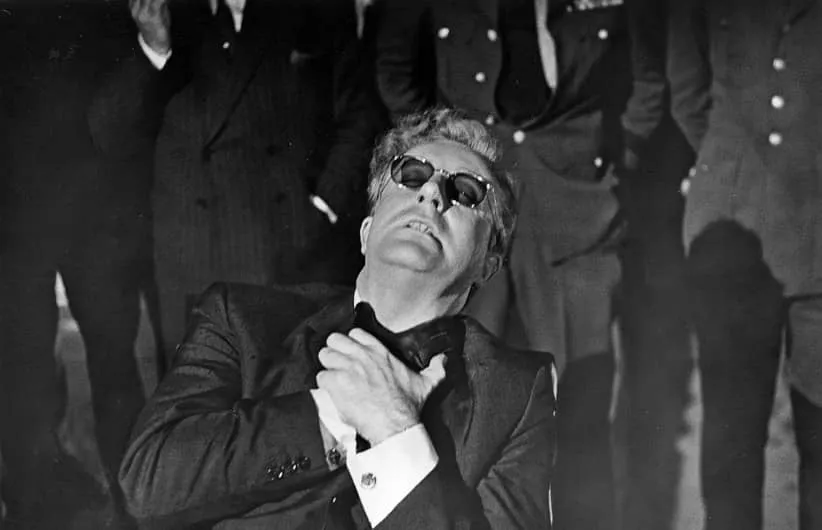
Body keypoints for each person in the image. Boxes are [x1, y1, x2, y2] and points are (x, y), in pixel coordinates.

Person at [117, 109, 556, 529]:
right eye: (411, 176)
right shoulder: (243, 318)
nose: (431, 194)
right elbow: (148, 480)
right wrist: (336, 414)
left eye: (465, 191)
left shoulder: (515, 390)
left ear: (488, 265)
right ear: (366, 231)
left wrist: (394, 429)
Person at [373, 0, 668, 527]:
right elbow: (397, 72)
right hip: (470, 210)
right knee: (459, 401)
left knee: (579, 403)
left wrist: (603, 168)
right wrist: (449, 158)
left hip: (576, 211)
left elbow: (647, 84)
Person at [89, 0, 384, 364]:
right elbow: (110, 134)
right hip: (191, 256)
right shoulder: (156, 14)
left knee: (287, 387)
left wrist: (324, 206)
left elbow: (360, 116)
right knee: (198, 388)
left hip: (293, 248)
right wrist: (154, 48)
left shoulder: (315, 10)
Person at [668, 1, 822, 529]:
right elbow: (687, 90)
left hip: (817, 234)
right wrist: (733, 165)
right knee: (732, 440)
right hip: (735, 231)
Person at [0, 1, 151, 528]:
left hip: (96, 215)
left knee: (114, 363)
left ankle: (133, 499)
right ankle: (33, 500)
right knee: (24, 366)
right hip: (16, 218)